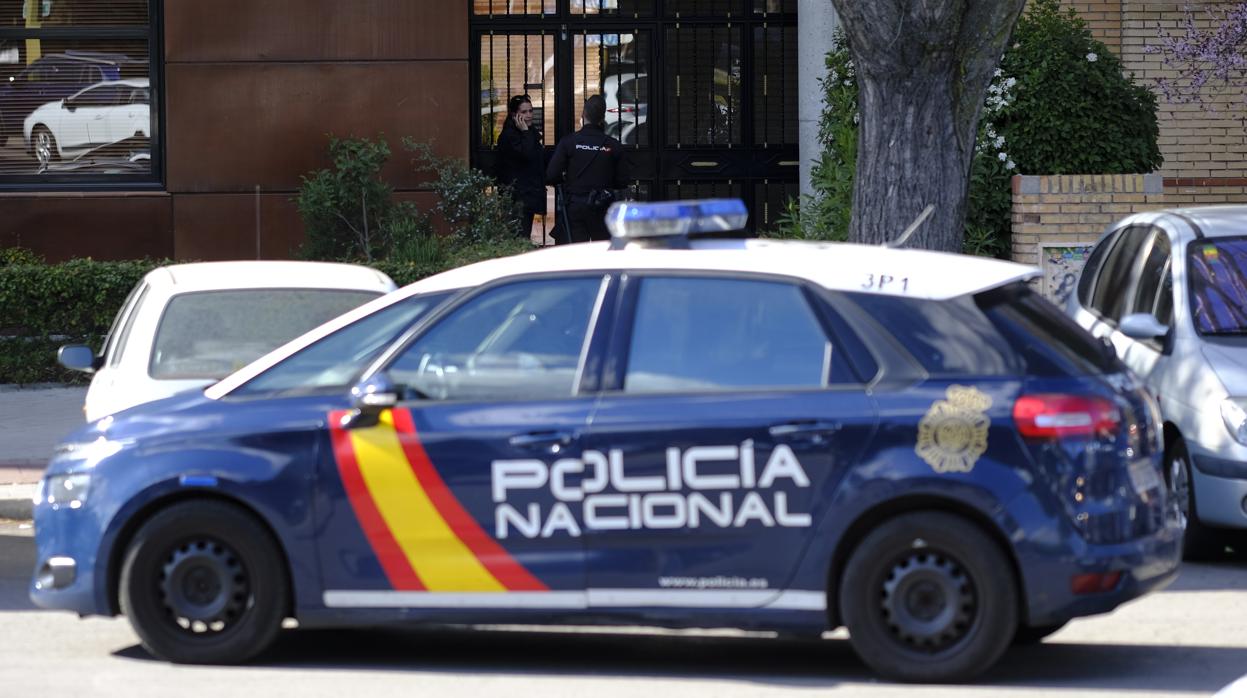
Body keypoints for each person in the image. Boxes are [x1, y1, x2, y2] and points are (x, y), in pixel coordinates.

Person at [546, 94, 627, 243]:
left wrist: (567, 181)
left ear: (583, 114)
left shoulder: (569, 142)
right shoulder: (614, 145)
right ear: (603, 117)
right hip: (602, 207)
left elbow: (551, 175)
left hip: (575, 205)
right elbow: (622, 181)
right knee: (602, 252)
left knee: (576, 253)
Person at [496, 94, 546, 240]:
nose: (529, 115)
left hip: (527, 194)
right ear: (514, 115)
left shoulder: (529, 132)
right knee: (518, 237)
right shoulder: (510, 135)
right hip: (517, 197)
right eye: (524, 112)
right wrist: (525, 132)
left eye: (530, 111)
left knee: (524, 234)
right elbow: (526, 155)